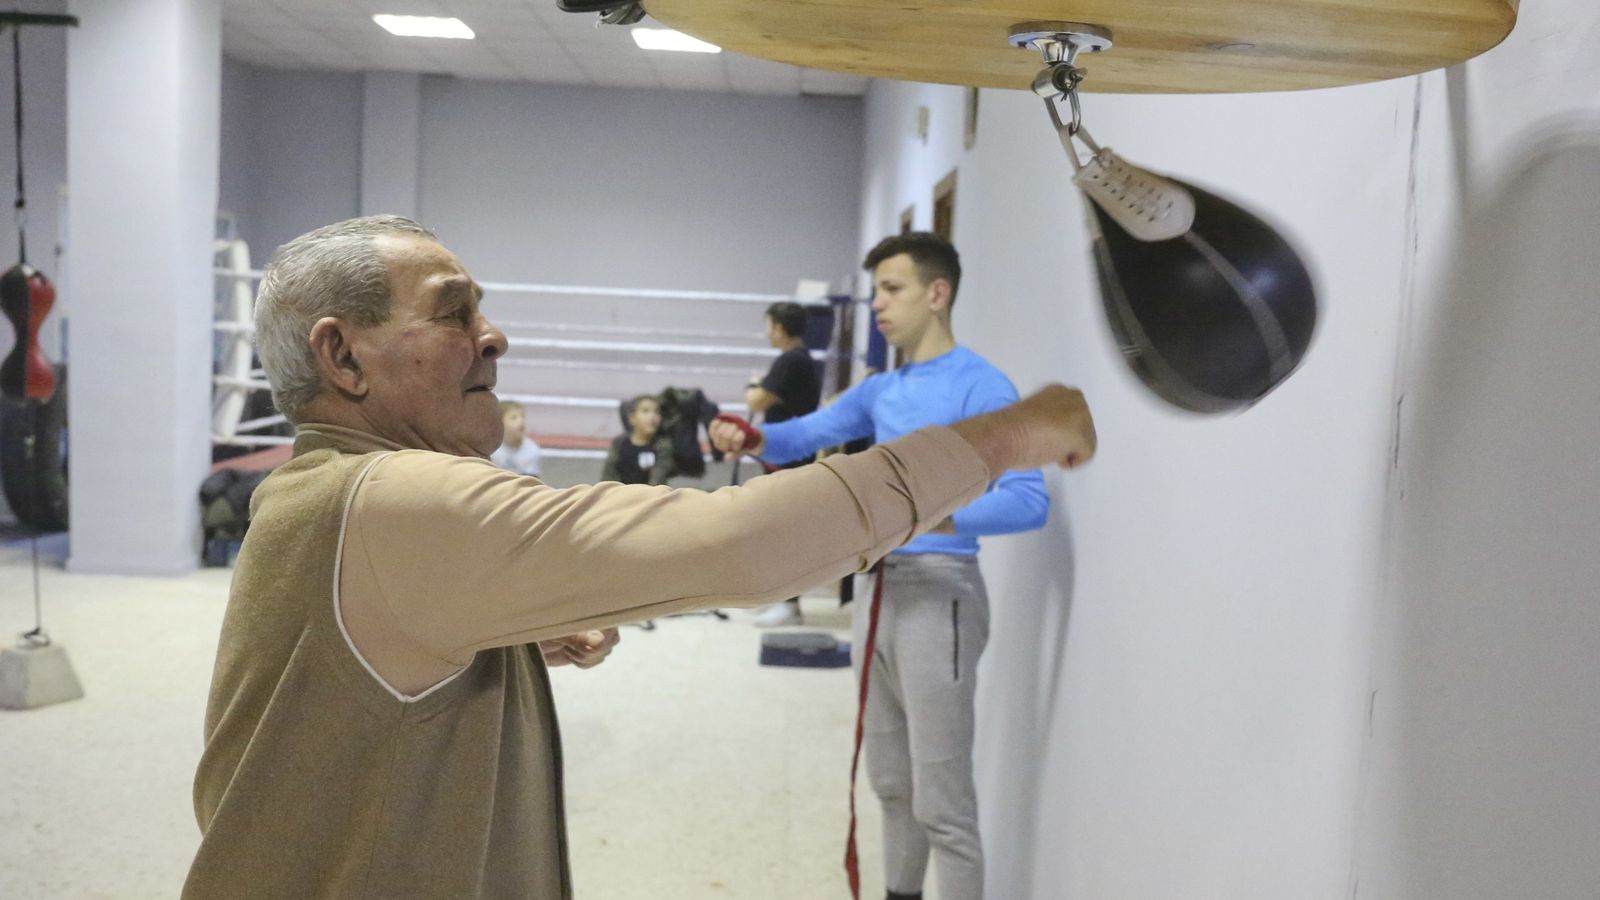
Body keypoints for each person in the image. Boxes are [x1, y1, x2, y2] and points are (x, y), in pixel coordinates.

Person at [184, 216, 1096, 900]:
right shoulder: (398, 502)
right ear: (342, 356)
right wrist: (1006, 435)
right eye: (453, 314)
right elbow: (746, 545)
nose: (493, 336)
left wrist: (497, 629)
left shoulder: (314, 493)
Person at [711, 232, 1048, 900]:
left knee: (942, 802)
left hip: (940, 596)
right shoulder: (883, 388)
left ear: (937, 293)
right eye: (875, 292)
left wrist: (931, 514)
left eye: (891, 289)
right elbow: (803, 434)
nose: (878, 305)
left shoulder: (981, 385)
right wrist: (750, 437)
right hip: (878, 591)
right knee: (892, 786)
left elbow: (1028, 500)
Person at [745, 300, 823, 626]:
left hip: (790, 457)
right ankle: (782, 598)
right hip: (786, 454)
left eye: (769, 326)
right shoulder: (798, 360)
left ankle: (789, 605)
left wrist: (752, 384)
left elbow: (756, 400)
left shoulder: (791, 361)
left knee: (785, 531)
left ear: (778, 326)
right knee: (777, 528)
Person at [600, 394, 674, 485]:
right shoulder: (620, 442)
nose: (652, 417)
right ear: (632, 418)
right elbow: (608, 476)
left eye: (657, 412)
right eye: (645, 411)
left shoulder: (663, 446)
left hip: (651, 496)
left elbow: (657, 481)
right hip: (620, 494)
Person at [490, 399, 543, 476]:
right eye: (514, 418)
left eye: (522, 417)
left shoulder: (532, 450)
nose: (521, 421)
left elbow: (531, 481)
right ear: (499, 422)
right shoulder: (491, 449)